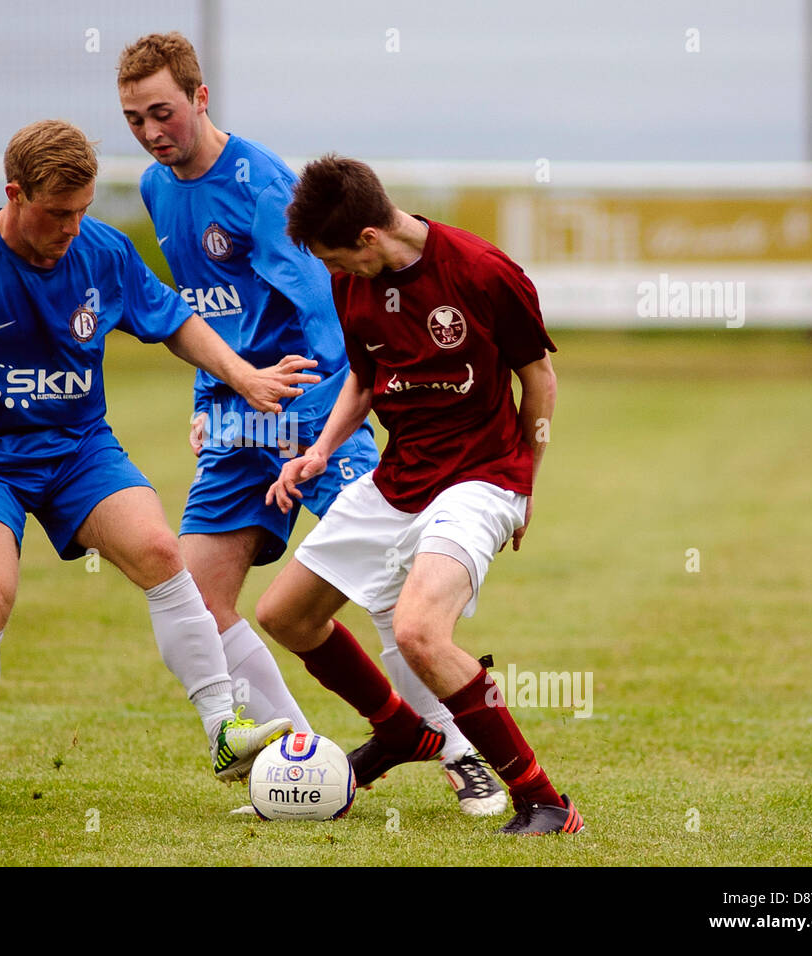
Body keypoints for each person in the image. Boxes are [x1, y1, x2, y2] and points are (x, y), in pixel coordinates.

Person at [0, 120, 317, 810]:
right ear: (15, 194)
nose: (73, 228)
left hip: (77, 448)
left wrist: (244, 376)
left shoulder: (102, 251)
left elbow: (174, 320)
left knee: (162, 551)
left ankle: (224, 729)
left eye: (84, 211)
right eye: (58, 213)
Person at [116, 32, 506, 815]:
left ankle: (468, 751)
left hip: (309, 411)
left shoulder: (260, 183)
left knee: (391, 597)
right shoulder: (158, 191)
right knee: (196, 597)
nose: (152, 132)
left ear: (199, 97)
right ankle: (301, 765)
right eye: (133, 119)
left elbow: (328, 309)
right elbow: (202, 310)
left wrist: (322, 417)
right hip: (236, 420)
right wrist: (208, 401)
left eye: (163, 112)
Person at [255, 155, 584, 834]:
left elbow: (540, 379)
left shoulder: (484, 272)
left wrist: (526, 482)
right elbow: (368, 379)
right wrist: (318, 452)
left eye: (337, 259)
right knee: (284, 613)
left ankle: (543, 800)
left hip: (481, 476)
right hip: (398, 476)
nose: (335, 275)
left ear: (370, 237)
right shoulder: (355, 285)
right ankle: (403, 733)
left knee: (418, 632)